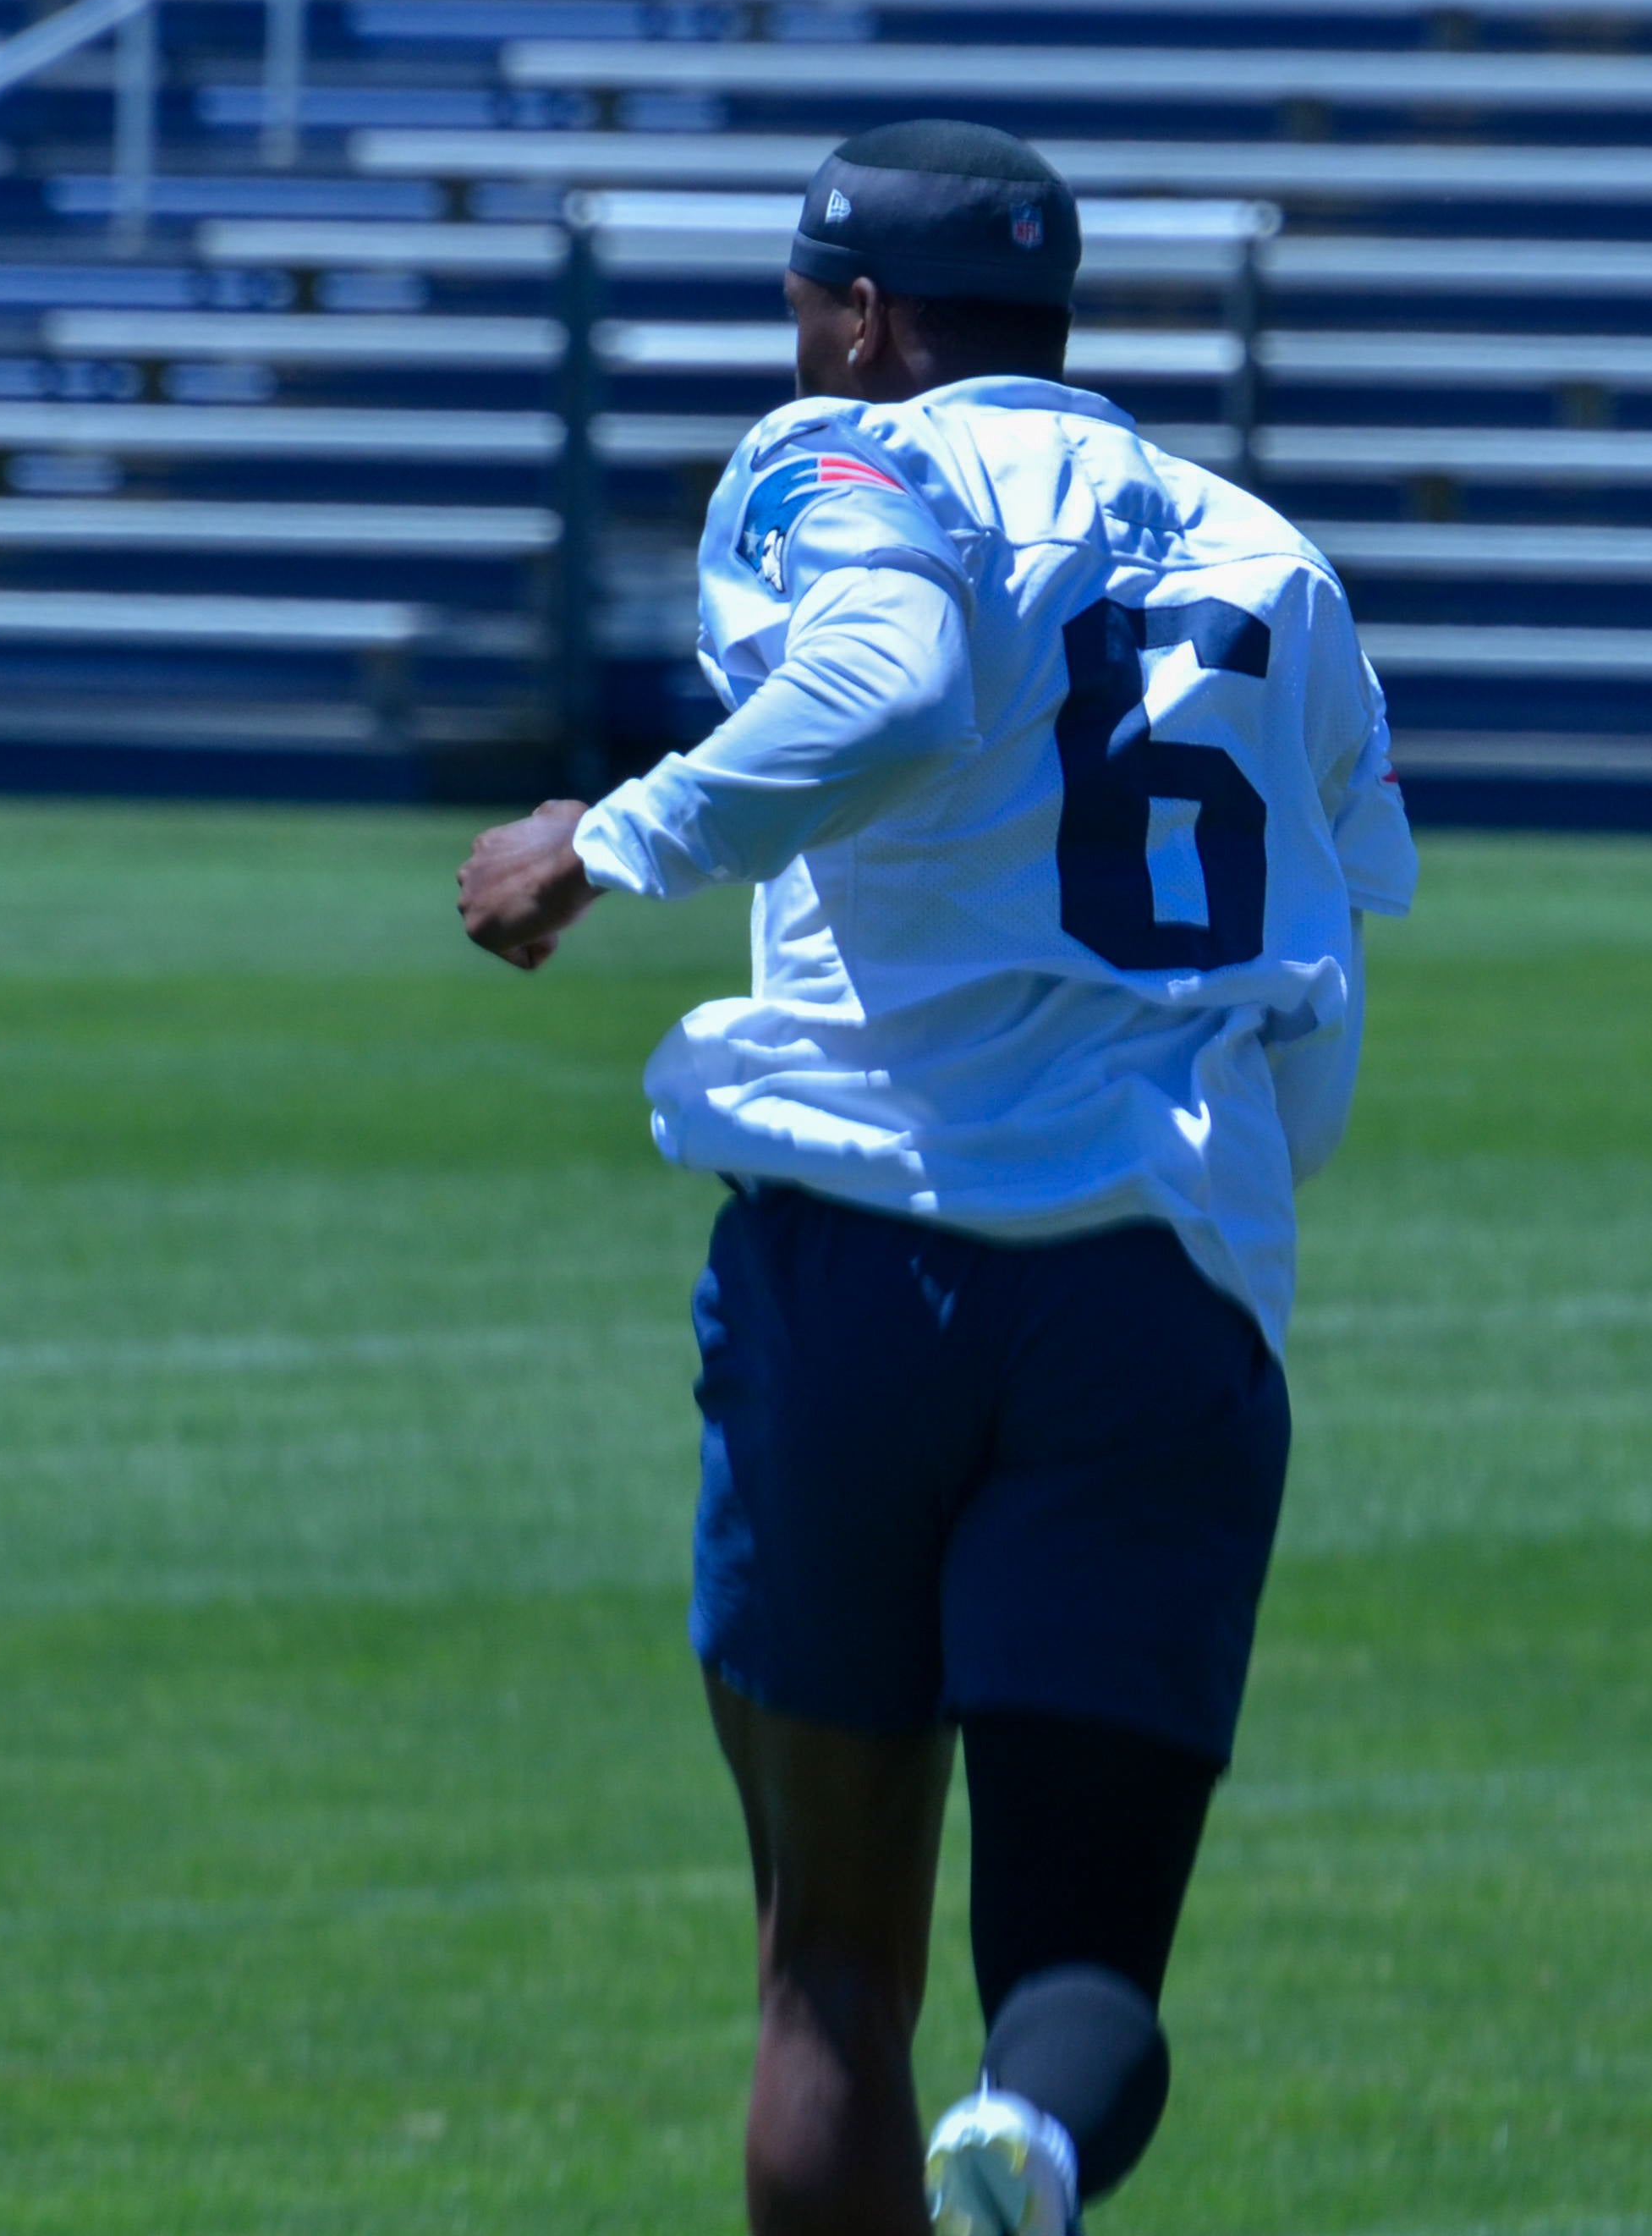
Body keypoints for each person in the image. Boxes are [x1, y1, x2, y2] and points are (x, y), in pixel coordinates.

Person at [453, 119, 1415, 2236]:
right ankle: (1038, 2152)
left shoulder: (844, 457)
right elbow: (1322, 991)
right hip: (1155, 1284)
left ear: (863, 322)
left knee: (826, 1984)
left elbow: (887, 682)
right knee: (1073, 1982)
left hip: (855, 1273)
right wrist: (1224, 1235)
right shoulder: (1268, 556)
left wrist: (599, 840)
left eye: (805, 320)